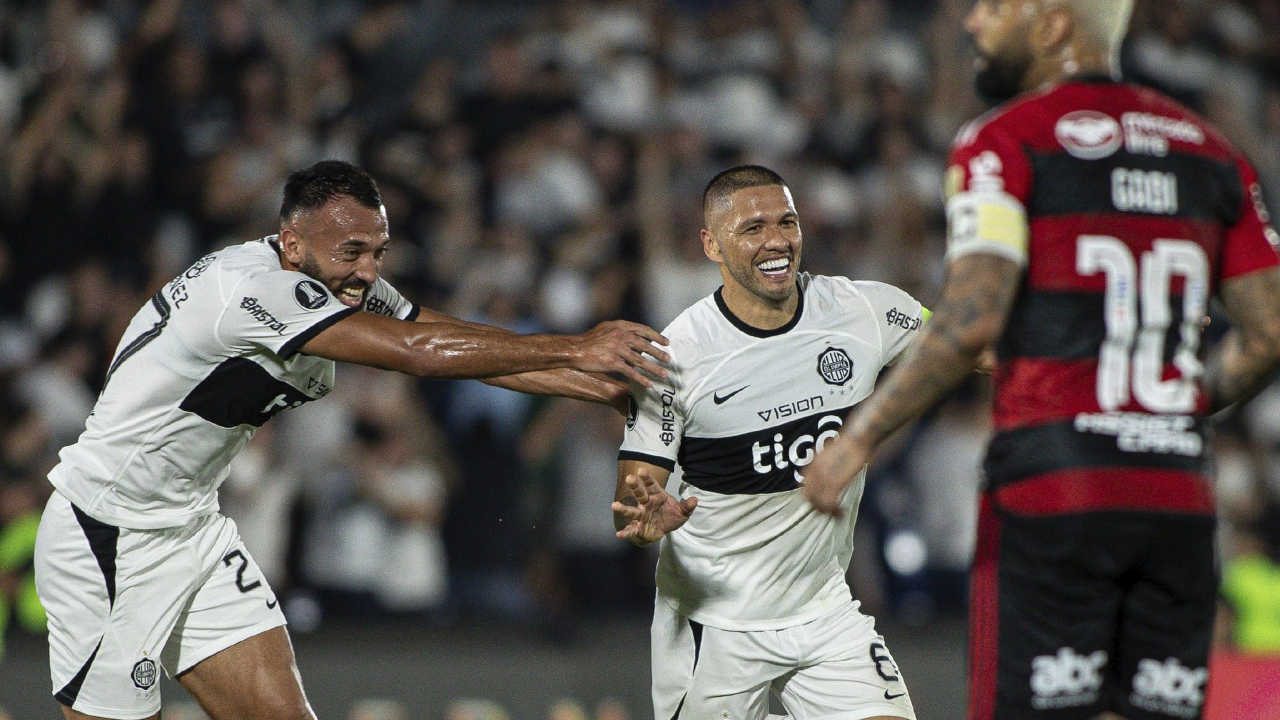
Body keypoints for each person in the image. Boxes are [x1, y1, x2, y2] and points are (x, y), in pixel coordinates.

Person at [33, 159, 670, 720]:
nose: (367, 272)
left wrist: (593, 384)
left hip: (191, 528)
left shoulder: (331, 282)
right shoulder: (253, 289)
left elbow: (443, 335)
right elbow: (417, 352)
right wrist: (579, 346)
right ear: (290, 243)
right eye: (352, 253)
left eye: (379, 252)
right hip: (106, 534)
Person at [802, 2, 1280, 719]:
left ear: (1055, 24)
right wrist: (1167, 405)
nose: (973, 22)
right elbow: (1270, 333)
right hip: (1175, 495)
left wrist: (858, 439)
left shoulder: (1003, 142)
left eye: (996, 7)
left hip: (1054, 493)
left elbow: (971, 320)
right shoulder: (1211, 151)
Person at [612, 164, 919, 720]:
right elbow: (634, 500)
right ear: (712, 245)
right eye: (752, 228)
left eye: (787, 222)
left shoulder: (862, 311)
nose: (777, 241)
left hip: (825, 609)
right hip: (717, 624)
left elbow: (963, 343)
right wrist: (646, 518)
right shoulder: (677, 357)